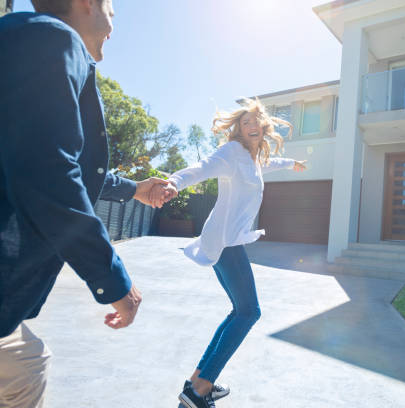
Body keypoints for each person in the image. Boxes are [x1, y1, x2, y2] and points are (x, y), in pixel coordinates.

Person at [0, 1, 171, 406]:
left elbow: (66, 162)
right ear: (87, 4)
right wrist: (114, 282)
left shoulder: (22, 36)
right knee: (24, 370)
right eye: (113, 7)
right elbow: (52, 174)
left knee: (25, 361)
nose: (114, 21)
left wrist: (134, 188)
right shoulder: (53, 39)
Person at [150, 98, 306, 408]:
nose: (250, 126)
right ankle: (200, 389)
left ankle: (197, 381)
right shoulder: (231, 153)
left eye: (255, 122)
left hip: (226, 241)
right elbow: (202, 167)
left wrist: (291, 163)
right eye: (244, 122)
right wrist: (174, 183)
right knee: (250, 312)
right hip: (226, 242)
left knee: (240, 310)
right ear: (238, 129)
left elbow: (269, 165)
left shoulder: (252, 159)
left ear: (262, 129)